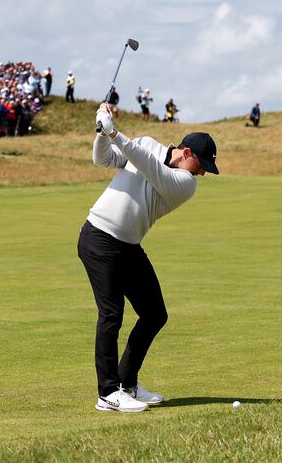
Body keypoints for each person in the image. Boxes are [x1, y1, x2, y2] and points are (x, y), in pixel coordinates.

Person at [77, 103, 219, 413]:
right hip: (99, 237)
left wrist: (114, 131)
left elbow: (148, 167)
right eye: (203, 164)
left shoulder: (185, 184)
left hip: (128, 245)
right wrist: (102, 133)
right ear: (187, 153)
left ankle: (127, 384)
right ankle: (107, 394)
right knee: (111, 314)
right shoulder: (144, 143)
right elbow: (103, 158)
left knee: (154, 314)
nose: (203, 172)